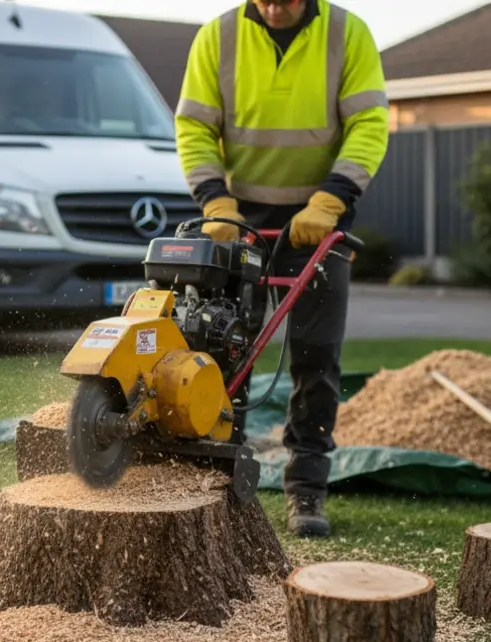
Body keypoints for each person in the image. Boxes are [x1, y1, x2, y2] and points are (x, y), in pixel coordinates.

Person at [175, 0, 389, 538]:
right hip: (237, 218)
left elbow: (369, 124)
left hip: (320, 218)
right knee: (224, 351)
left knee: (317, 357)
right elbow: (194, 128)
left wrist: (332, 199)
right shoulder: (218, 37)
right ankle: (216, 484)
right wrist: (215, 202)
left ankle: (306, 492)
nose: (274, 7)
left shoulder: (347, 34)